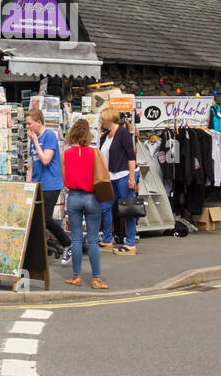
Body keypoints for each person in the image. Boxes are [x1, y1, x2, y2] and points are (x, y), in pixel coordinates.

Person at [62, 118, 109, 289]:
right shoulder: (95, 152)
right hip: (92, 197)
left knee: (75, 239)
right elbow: (103, 175)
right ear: (88, 134)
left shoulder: (65, 154)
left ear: (73, 133)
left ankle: (76, 277)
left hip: (74, 197)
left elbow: (64, 180)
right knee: (93, 240)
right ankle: (96, 279)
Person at [27, 109, 72, 265]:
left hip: (51, 184)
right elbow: (32, 164)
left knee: (44, 218)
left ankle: (67, 243)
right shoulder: (34, 138)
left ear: (38, 122)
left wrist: (35, 142)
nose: (27, 127)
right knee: (35, 219)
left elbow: (46, 159)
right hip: (38, 184)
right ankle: (36, 253)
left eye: (29, 124)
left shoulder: (49, 136)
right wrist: (28, 184)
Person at [97, 108, 140, 253]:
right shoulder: (105, 136)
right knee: (104, 207)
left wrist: (131, 177)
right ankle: (108, 240)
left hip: (123, 176)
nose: (101, 122)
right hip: (110, 178)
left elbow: (131, 156)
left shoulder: (123, 134)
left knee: (128, 209)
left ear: (109, 119)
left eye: (103, 119)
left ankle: (130, 243)